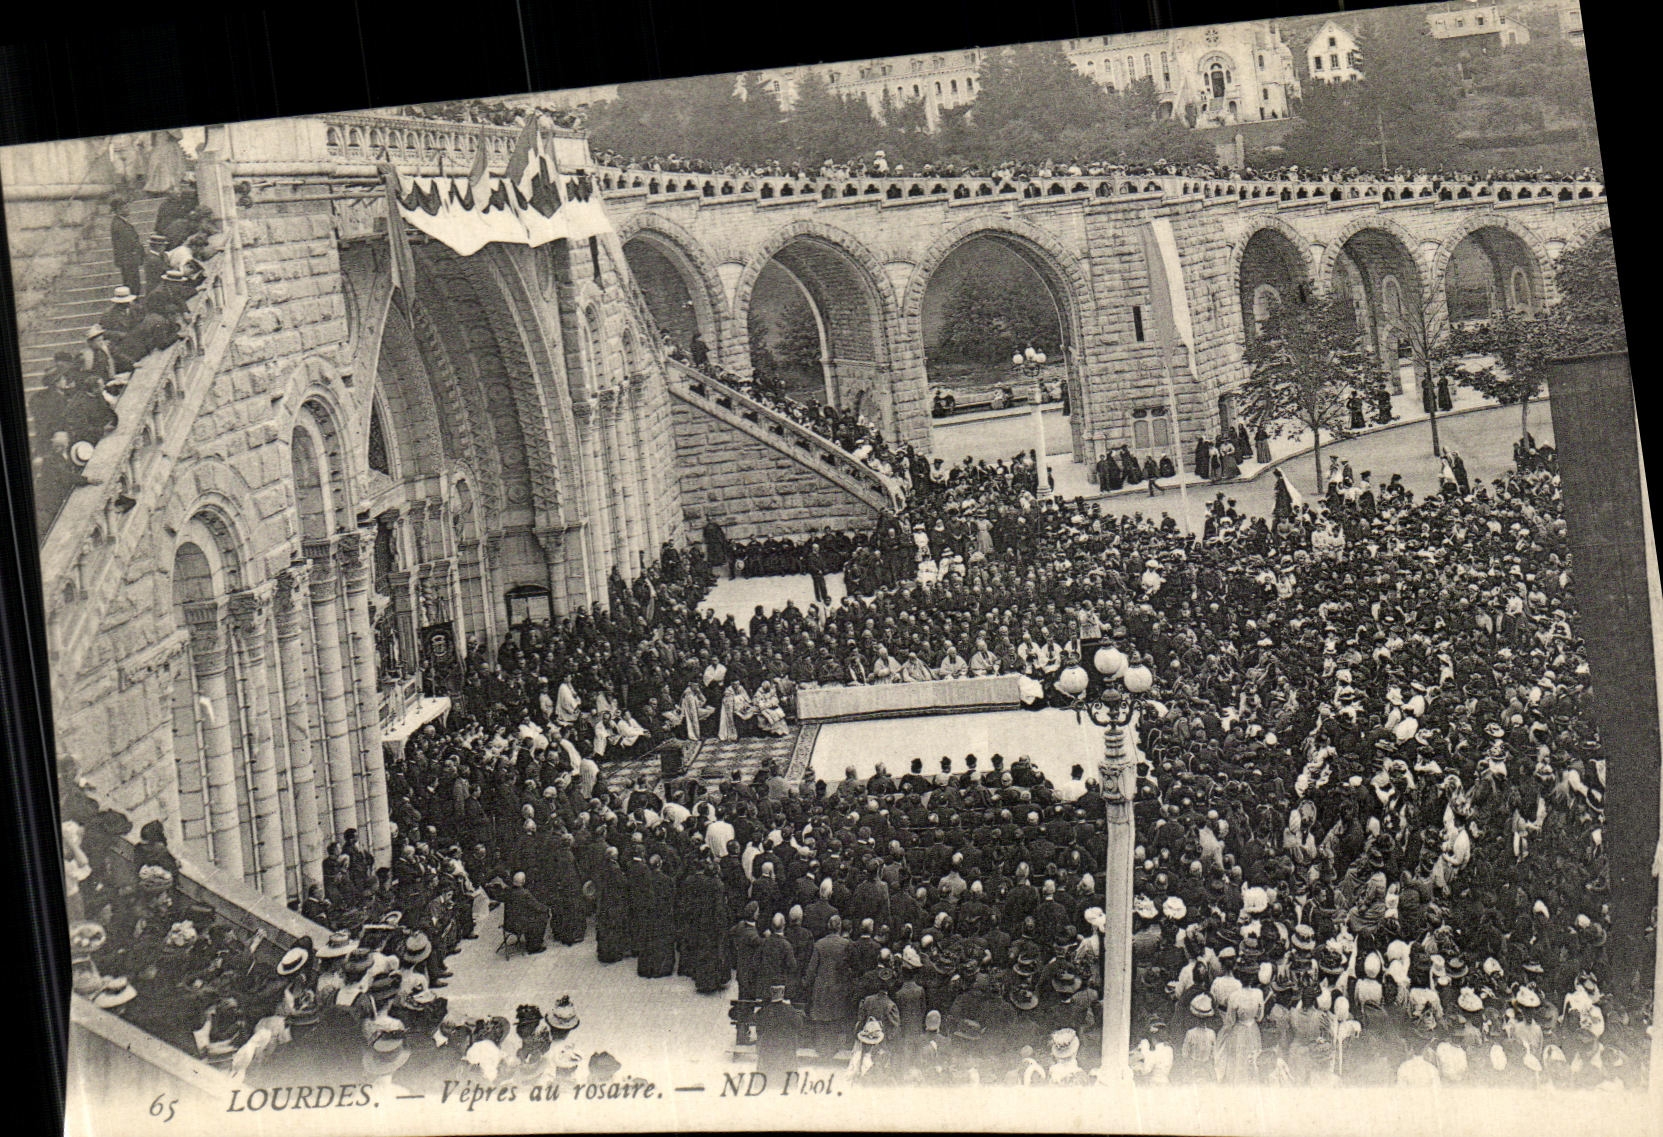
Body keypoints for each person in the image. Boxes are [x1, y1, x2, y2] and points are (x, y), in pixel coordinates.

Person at [753, 984, 805, 1081]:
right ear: (782, 993)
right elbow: (799, 1025)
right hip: (786, 1050)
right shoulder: (790, 1010)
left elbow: (759, 1029)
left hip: (768, 1050)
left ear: (771, 993)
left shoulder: (764, 1010)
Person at [109, 197, 146, 296]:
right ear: (118, 210)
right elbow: (130, 242)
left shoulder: (121, 222)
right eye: (124, 207)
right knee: (133, 285)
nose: (127, 209)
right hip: (128, 260)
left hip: (129, 259)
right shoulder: (119, 224)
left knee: (132, 284)